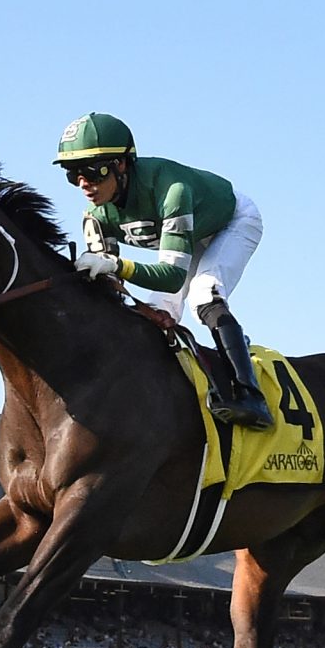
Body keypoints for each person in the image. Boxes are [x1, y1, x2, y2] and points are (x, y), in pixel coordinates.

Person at [53, 111, 273, 429]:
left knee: (204, 295)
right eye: (73, 175)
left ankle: (250, 395)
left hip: (231, 222)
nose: (84, 184)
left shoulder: (173, 192)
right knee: (155, 312)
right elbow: (112, 288)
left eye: (93, 171)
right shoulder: (95, 216)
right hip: (191, 235)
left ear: (121, 164)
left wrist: (116, 265)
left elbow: (171, 278)